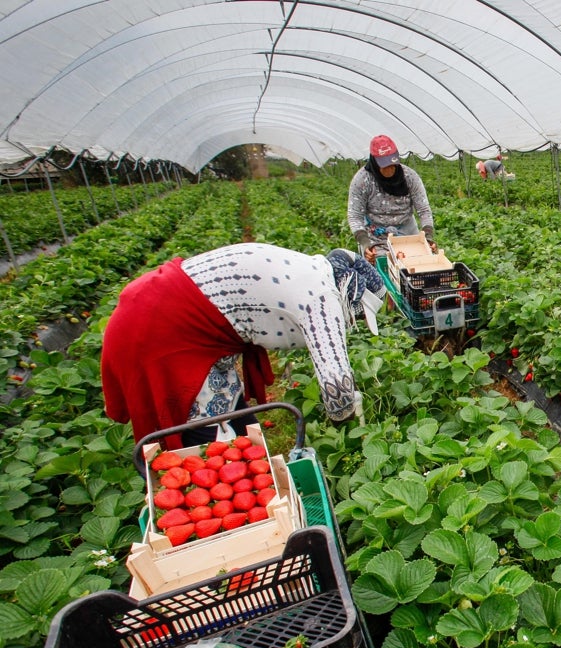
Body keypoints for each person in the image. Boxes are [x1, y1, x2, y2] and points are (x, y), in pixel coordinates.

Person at [101, 242, 385, 449]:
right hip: (162, 328)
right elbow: (338, 390)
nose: (355, 320)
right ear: (351, 294)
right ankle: (216, 493)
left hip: (161, 305)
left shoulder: (312, 269)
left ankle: (248, 464)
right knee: (208, 428)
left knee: (236, 413)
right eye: (360, 313)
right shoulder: (322, 299)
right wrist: (355, 436)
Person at [347, 134, 436, 264]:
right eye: (385, 166)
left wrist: (427, 236)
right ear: (375, 163)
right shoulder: (362, 180)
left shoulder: (409, 177)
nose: (390, 170)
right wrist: (366, 243)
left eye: (393, 164)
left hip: (407, 233)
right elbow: (355, 215)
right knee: (382, 271)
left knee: (416, 266)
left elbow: (424, 210)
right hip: (376, 237)